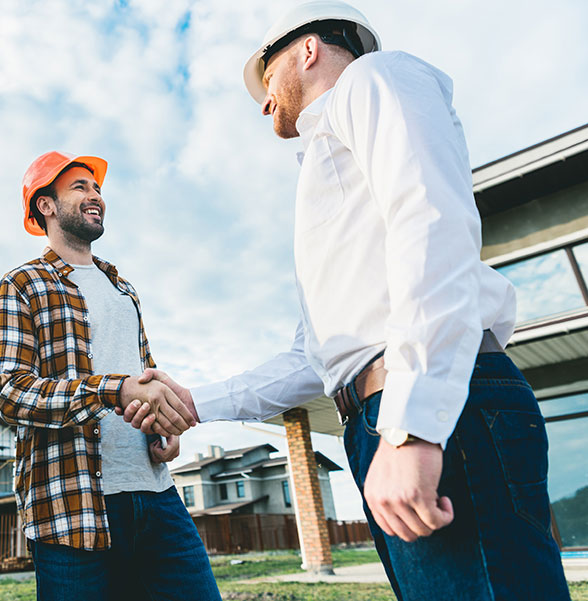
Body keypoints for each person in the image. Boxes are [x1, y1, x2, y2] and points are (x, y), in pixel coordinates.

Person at [124, 2, 570, 599]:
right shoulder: (326, 174)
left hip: (436, 408)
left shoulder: (375, 78)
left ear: (306, 50)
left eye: (266, 75)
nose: (262, 102)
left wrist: (412, 428)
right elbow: (314, 359)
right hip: (379, 419)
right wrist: (192, 402)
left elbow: (430, 225)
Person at [0, 151, 218, 601]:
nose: (96, 195)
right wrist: (111, 389)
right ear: (46, 206)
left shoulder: (122, 287)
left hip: (156, 493)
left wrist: (165, 428)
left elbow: (145, 376)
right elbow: (11, 394)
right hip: (70, 501)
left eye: (96, 188)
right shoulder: (21, 283)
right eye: (80, 187)